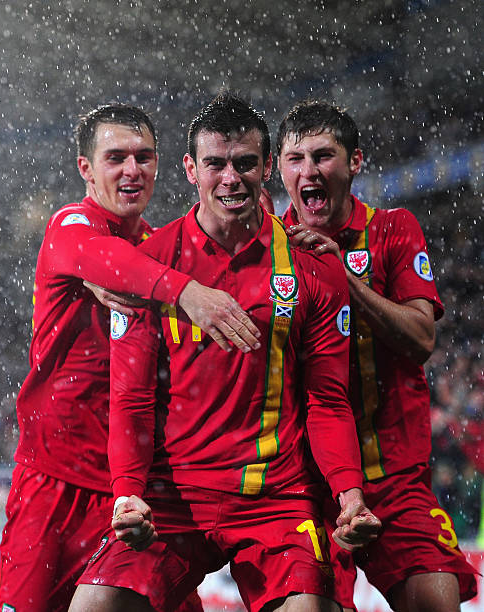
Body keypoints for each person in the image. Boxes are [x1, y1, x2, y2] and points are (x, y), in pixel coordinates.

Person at [69, 92, 381, 612]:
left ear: (267, 168)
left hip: (275, 498)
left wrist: (350, 496)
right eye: (215, 164)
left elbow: (328, 401)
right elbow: (132, 399)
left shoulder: (313, 268)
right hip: (174, 496)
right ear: (191, 169)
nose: (231, 178)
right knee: (93, 608)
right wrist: (128, 492)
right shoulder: (150, 264)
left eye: (245, 163)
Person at [0, 102, 262, 612]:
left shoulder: (152, 247)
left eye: (144, 156)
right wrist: (185, 292)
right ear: (86, 168)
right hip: (55, 480)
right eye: (116, 157)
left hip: (136, 486)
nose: (132, 170)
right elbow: (106, 258)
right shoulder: (71, 225)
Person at [276, 99, 478, 612]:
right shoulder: (270, 245)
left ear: (355, 162)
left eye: (323, 155)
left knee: (437, 600)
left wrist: (343, 278)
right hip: (304, 483)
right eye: (296, 159)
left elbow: (421, 339)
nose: (309, 170)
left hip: (395, 476)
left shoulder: (393, 228)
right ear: (279, 169)